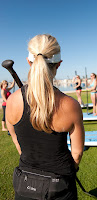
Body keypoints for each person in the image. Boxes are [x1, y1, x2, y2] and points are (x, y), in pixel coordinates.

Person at [6, 34, 85, 200]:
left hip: (25, 184)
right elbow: (77, 153)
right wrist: (71, 170)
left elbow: (16, 141)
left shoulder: (12, 101)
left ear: (29, 62)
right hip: (61, 186)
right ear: (59, 64)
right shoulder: (71, 105)